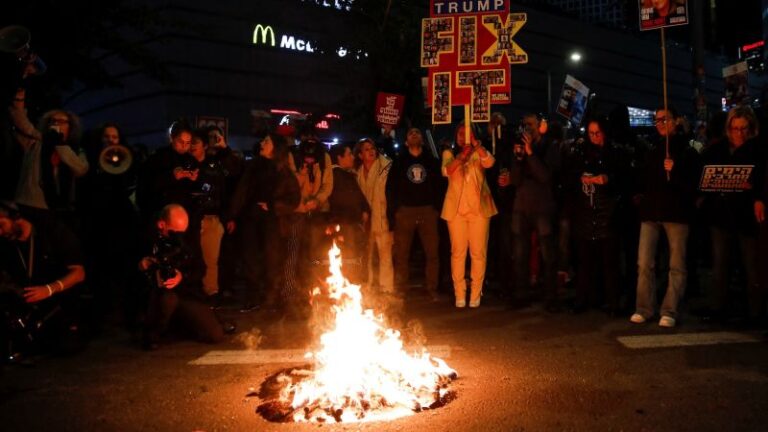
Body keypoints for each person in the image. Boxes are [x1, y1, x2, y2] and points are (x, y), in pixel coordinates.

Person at [630, 107, 702, 328]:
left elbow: (693, 185)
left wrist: (676, 170)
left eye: (664, 119)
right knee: (644, 263)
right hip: (652, 212)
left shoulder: (688, 151)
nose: (659, 123)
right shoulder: (653, 149)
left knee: (676, 264)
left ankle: (670, 309)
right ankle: (644, 307)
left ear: (676, 121)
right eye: (656, 120)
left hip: (676, 213)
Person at [700, 106, 766, 324]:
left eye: (743, 128)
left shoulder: (758, 149)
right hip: (721, 215)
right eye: (735, 128)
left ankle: (755, 312)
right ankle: (719, 308)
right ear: (728, 128)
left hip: (746, 216)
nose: (739, 133)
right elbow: (703, 170)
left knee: (751, 266)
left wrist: (756, 193)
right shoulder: (718, 149)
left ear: (751, 128)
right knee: (720, 264)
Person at [0, 201, 87, 359]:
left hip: (58, 301)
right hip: (27, 303)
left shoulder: (52, 231)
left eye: (2, 225)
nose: (0, 232)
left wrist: (49, 289)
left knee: (64, 346)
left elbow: (79, 273)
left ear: (16, 217)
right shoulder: (7, 244)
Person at [139, 204, 231, 350]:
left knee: (215, 334)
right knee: (167, 300)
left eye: (183, 232)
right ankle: (153, 334)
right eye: (175, 232)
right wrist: (143, 265)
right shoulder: (146, 237)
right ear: (161, 224)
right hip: (160, 295)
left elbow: (200, 269)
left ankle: (181, 325)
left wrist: (182, 277)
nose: (179, 236)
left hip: (186, 293)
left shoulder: (187, 239)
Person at [229, 134, 301, 313]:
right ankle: (253, 297)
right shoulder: (252, 166)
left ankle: (271, 299)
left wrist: (273, 206)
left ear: (275, 147)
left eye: (266, 141)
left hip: (273, 224)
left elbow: (293, 199)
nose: (262, 143)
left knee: (272, 261)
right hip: (251, 222)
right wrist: (231, 216)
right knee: (250, 260)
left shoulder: (283, 172)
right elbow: (241, 192)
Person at [564, 118, 627, 315]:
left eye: (597, 133)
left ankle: (612, 301)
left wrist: (606, 179)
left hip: (606, 212)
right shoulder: (582, 152)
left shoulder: (614, 153)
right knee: (585, 260)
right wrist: (580, 178)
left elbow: (622, 178)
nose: (594, 137)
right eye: (591, 133)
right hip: (585, 212)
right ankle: (584, 298)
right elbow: (570, 176)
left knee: (609, 261)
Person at [8, 88, 89, 227]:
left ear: (70, 127)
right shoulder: (35, 142)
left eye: (61, 121)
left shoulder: (76, 150)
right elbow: (20, 121)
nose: (56, 123)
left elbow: (81, 169)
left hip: (59, 210)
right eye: (52, 121)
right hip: (29, 204)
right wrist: (19, 98)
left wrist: (59, 144)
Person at [508, 113, 561, 311]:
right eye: (524, 124)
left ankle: (550, 296)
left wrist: (530, 154)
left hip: (542, 206)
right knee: (520, 253)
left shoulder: (550, 147)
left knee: (547, 253)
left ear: (540, 126)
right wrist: (519, 158)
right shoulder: (519, 146)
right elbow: (514, 180)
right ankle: (521, 293)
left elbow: (545, 176)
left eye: (530, 124)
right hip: (521, 205)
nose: (527, 128)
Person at [441, 124, 497, 308]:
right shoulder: (449, 154)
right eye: (460, 133)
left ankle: (475, 293)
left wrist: (476, 146)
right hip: (456, 212)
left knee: (478, 253)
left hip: (479, 211)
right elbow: (447, 170)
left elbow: (490, 162)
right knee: (458, 253)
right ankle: (459, 293)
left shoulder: (479, 153)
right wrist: (462, 156)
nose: (462, 135)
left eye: (467, 132)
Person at [386, 128, 442, 301]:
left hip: (427, 211)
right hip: (406, 212)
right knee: (402, 254)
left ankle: (432, 288)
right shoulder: (399, 162)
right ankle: (401, 289)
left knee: (432, 253)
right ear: (406, 141)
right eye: (410, 133)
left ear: (423, 140)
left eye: (418, 133)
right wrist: (396, 211)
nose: (415, 135)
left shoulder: (431, 161)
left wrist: (436, 208)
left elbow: (439, 186)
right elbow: (391, 188)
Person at [355, 138, 394, 294]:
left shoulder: (386, 168)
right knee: (367, 256)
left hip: (382, 217)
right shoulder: (357, 174)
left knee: (385, 256)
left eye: (372, 148)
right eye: (366, 149)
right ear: (360, 155)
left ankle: (387, 289)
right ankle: (368, 287)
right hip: (366, 220)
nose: (371, 151)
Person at [328, 143, 370, 283]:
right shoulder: (337, 176)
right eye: (349, 154)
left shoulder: (346, 175)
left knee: (352, 257)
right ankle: (351, 285)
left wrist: (364, 209)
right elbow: (348, 200)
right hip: (346, 225)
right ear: (340, 158)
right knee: (350, 258)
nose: (352, 157)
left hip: (350, 224)